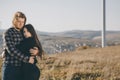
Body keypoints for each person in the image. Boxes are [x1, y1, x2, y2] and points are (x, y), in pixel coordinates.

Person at [2, 11, 39, 80]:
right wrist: (27, 59)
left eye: (23, 22)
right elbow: (11, 50)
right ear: (14, 21)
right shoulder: (8, 32)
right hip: (11, 67)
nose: (21, 24)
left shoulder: (23, 32)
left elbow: (30, 44)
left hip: (22, 69)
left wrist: (36, 51)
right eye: (19, 21)